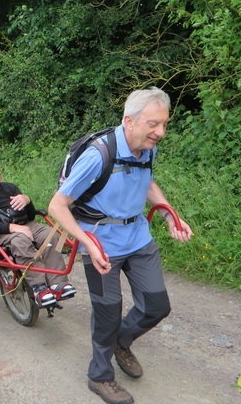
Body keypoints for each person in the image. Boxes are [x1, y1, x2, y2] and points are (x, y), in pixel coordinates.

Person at [48, 87, 193, 404]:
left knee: (157, 306)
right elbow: (57, 206)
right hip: (101, 244)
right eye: (154, 124)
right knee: (107, 311)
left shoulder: (147, 147)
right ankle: (99, 376)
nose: (161, 132)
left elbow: (147, 182)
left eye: (165, 124)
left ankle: (121, 342)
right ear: (129, 120)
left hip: (138, 237)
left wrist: (170, 215)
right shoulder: (98, 155)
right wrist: (88, 242)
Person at [0, 158, 76, 307]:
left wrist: (27, 201)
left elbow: (30, 216)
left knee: (50, 235)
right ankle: (39, 287)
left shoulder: (10, 189)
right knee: (20, 240)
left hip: (27, 224)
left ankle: (58, 283)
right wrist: (13, 228)